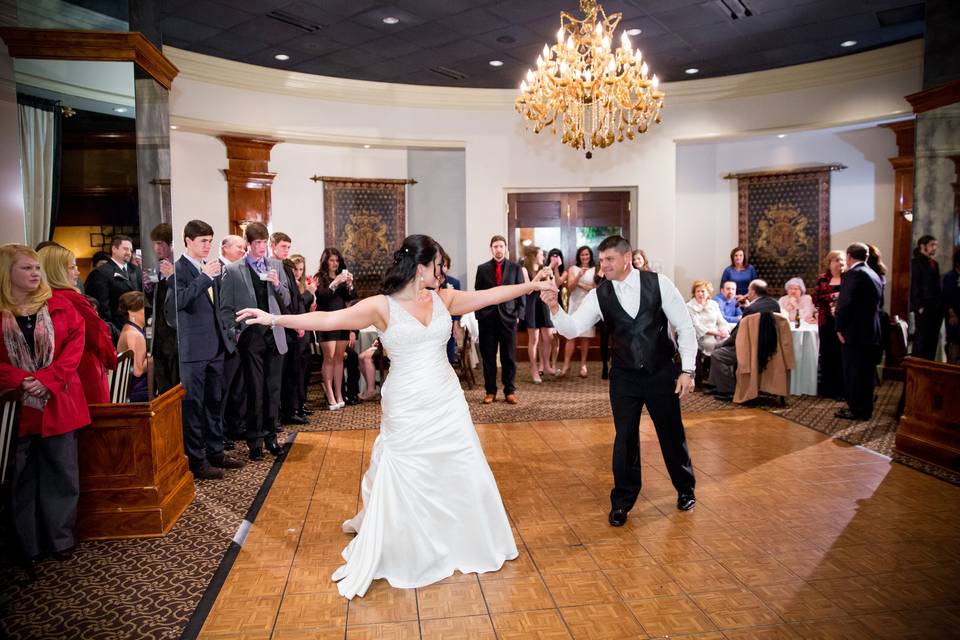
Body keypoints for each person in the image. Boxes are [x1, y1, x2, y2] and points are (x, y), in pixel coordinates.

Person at [236, 234, 553, 599]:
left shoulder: (444, 297)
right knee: (410, 470)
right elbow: (328, 318)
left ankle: (463, 537)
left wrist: (530, 284)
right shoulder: (381, 307)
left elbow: (492, 295)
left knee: (460, 464)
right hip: (406, 402)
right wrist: (274, 317)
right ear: (421, 267)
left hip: (446, 400)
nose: (442, 270)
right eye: (437, 264)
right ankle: (410, 546)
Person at [542, 235, 698, 526]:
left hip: (661, 372)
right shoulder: (600, 294)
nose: (604, 265)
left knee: (671, 433)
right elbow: (573, 328)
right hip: (624, 377)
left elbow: (685, 327)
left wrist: (687, 370)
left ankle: (685, 488)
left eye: (609, 259)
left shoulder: (659, 284)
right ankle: (622, 502)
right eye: (602, 260)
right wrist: (554, 309)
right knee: (625, 439)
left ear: (627, 259)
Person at [0, 244, 89, 566]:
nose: (35, 273)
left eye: (37, 268)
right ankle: (28, 543)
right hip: (16, 408)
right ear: (6, 272)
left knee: (62, 473)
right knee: (20, 477)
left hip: (57, 401)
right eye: (26, 268)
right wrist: (20, 379)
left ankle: (60, 538)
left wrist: (48, 378)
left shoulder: (59, 306)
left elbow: (73, 347)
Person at [176, 220, 244, 480]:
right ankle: (197, 460)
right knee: (194, 406)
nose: (207, 245)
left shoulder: (210, 267)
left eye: (210, 241)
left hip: (216, 346)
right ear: (188, 240)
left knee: (215, 403)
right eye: (203, 241)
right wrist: (205, 278)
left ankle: (216, 452)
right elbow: (179, 301)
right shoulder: (179, 269)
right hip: (193, 351)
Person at [218, 221, 289, 461]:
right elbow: (226, 309)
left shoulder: (277, 266)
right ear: (248, 244)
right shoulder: (234, 270)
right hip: (250, 339)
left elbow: (287, 300)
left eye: (263, 243)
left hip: (274, 335)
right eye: (256, 243)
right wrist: (235, 334)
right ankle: (254, 442)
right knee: (254, 391)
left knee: (273, 390)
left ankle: (272, 438)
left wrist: (277, 285)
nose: (261, 248)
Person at [37, 244, 116, 404]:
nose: (78, 272)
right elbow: (99, 334)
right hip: (83, 371)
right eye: (72, 267)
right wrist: (111, 359)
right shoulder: (72, 299)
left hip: (53, 378)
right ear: (57, 270)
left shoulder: (38, 300)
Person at [706, 279, 780, 400]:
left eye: (749, 291)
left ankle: (728, 390)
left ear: (753, 292)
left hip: (750, 348)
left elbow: (738, 333)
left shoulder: (751, 309)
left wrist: (724, 343)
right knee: (719, 348)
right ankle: (718, 385)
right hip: (769, 346)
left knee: (717, 354)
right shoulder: (774, 304)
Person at [835, 243, 883, 420]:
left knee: (854, 372)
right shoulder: (874, 274)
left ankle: (857, 409)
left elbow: (845, 304)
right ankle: (865, 408)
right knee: (865, 372)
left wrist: (839, 327)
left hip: (854, 332)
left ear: (848, 256)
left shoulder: (853, 274)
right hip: (871, 330)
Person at [474, 235, 525, 404]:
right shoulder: (482, 269)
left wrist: (519, 315)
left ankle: (509, 390)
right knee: (488, 357)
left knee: (508, 356)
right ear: (491, 249)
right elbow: (477, 295)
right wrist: (479, 315)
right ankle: (490, 391)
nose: (498, 249)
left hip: (509, 318)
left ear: (505, 248)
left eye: (501, 246)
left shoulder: (515, 268)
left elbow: (520, 292)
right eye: (495, 246)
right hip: (487, 320)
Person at [272, 232, 308, 425]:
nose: (286, 250)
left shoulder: (286, 266)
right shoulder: (271, 266)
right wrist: (293, 322)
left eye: (288, 247)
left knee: (293, 372)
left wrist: (299, 321)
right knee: (281, 374)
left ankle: (291, 409)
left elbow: (295, 297)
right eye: (283, 247)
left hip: (294, 324)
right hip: (283, 325)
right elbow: (279, 301)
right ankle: (279, 414)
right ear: (273, 245)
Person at [314, 247, 355, 411]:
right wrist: (335, 282)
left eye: (337, 260)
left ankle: (339, 394)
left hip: (341, 320)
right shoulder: (320, 278)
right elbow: (323, 297)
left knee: (339, 358)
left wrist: (350, 285)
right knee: (329, 357)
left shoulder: (343, 278)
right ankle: (329, 394)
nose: (335, 263)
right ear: (325, 261)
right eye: (331, 260)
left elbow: (350, 298)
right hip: (325, 320)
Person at [218, 234, 247, 443]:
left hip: (239, 337)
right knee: (224, 389)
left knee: (238, 387)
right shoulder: (218, 270)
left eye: (244, 248)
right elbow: (222, 307)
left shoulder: (239, 269)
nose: (243, 251)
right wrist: (231, 332)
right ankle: (223, 431)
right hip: (225, 339)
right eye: (239, 247)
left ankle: (235, 425)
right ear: (225, 248)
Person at [85, 234, 143, 332]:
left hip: (137, 325)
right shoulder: (101, 272)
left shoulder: (136, 270)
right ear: (114, 249)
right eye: (125, 249)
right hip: (116, 327)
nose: (128, 253)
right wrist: (112, 330)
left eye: (130, 250)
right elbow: (103, 306)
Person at [147, 223, 179, 396]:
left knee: (174, 383)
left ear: (170, 245)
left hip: (173, 336)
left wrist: (171, 278)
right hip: (158, 337)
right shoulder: (158, 267)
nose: (157, 248)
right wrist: (149, 287)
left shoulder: (178, 269)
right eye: (156, 244)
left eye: (161, 244)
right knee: (162, 383)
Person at [520, 246, 557, 383]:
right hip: (531, 306)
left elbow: (553, 288)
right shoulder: (524, 270)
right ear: (534, 256)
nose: (543, 257)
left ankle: (546, 365)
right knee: (534, 340)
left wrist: (550, 275)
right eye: (541, 254)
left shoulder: (544, 269)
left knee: (548, 337)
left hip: (543, 305)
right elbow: (528, 289)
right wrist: (539, 275)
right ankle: (534, 369)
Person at [812, 250, 845, 398]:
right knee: (827, 353)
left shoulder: (849, 277)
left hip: (843, 322)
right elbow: (816, 298)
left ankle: (840, 389)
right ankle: (827, 388)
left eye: (842, 260)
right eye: (837, 260)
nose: (840, 263)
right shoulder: (823, 279)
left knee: (841, 355)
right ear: (830, 263)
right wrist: (833, 296)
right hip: (826, 321)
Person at [561, 245, 597, 378]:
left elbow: (595, 288)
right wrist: (579, 277)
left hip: (588, 305)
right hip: (575, 305)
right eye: (582, 255)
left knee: (585, 337)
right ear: (578, 256)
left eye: (587, 254)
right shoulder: (573, 269)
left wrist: (580, 284)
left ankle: (583, 365)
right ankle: (566, 364)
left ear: (590, 256)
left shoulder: (595, 269)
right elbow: (570, 287)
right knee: (571, 335)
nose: (585, 257)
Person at [288, 254, 317, 416]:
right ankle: (294, 407)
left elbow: (307, 308)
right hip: (295, 333)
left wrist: (312, 298)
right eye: (295, 269)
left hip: (306, 331)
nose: (298, 272)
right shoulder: (289, 284)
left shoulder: (303, 285)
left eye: (300, 269)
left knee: (305, 371)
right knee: (296, 372)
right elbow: (294, 307)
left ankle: (301, 403)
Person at [910, 235, 942, 360]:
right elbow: (915, 286)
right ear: (922, 246)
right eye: (932, 245)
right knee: (921, 342)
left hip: (935, 309)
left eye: (936, 245)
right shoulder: (916, 263)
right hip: (924, 309)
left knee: (932, 341)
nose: (934, 248)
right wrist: (919, 307)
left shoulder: (934, 263)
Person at [116, 292, 149, 402]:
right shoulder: (134, 334)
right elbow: (137, 370)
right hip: (139, 393)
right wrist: (157, 358)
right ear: (131, 312)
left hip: (134, 391)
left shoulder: (128, 328)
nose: (148, 313)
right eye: (144, 309)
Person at [686, 280, 730, 356]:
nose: (700, 293)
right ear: (694, 293)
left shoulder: (713, 304)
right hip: (702, 337)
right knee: (715, 347)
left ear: (708, 293)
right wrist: (717, 333)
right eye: (698, 291)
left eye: (702, 291)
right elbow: (697, 327)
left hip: (718, 334)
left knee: (729, 342)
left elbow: (721, 321)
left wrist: (724, 331)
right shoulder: (689, 306)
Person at [440, 252, 462, 365]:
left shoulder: (454, 282)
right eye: (440, 265)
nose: (442, 268)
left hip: (450, 320)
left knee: (449, 350)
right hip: (435, 320)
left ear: (448, 267)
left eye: (444, 265)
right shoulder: (428, 284)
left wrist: (456, 323)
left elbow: (458, 305)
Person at [943, 246, 960, 364]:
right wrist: (952, 314)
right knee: (954, 341)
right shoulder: (950, 276)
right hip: (954, 315)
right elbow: (947, 297)